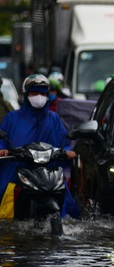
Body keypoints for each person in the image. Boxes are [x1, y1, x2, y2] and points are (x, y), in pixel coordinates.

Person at [0, 74, 77, 218]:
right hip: (17, 170)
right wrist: (2, 150)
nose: (39, 97)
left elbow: (64, 142)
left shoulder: (53, 118)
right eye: (35, 93)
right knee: (3, 194)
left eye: (43, 93)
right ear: (26, 94)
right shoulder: (12, 118)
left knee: (69, 205)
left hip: (48, 171)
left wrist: (67, 152)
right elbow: (2, 139)